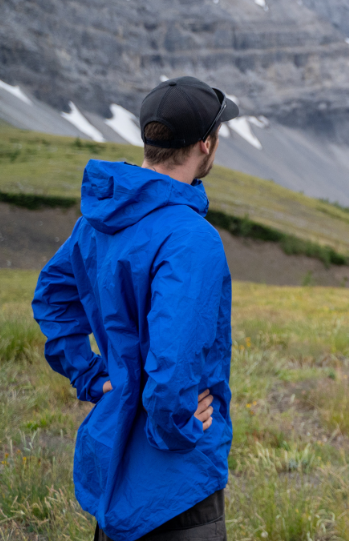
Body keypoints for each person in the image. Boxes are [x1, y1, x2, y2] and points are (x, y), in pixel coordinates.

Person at [32, 76, 239, 541]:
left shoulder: (96, 221)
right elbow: (172, 367)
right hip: (176, 486)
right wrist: (182, 430)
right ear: (206, 145)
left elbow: (52, 296)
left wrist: (91, 375)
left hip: (113, 462)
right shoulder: (190, 238)